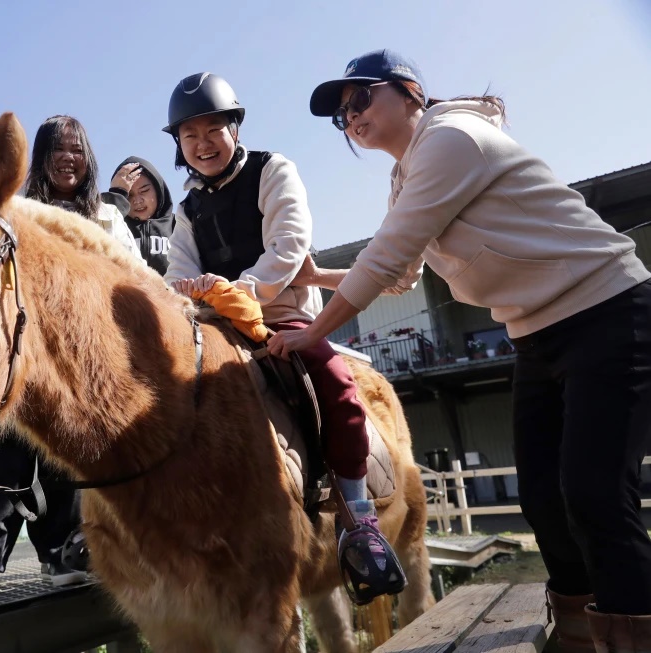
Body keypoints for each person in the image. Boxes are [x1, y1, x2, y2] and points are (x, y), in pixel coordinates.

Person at [270, 49, 651, 650]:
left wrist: (312, 332)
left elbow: (390, 255)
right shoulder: (405, 177)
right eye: (341, 115)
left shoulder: (451, 137)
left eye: (361, 98)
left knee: (596, 493)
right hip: (534, 335)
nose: (351, 117)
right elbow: (400, 275)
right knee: (543, 497)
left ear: (410, 91)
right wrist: (316, 279)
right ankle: (579, 632)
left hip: (605, 310)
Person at [160, 72, 398, 587]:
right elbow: (175, 273)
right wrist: (189, 290)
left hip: (280, 315)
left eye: (213, 130)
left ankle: (359, 518)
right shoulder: (186, 209)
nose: (202, 144)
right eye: (190, 136)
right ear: (179, 144)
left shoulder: (273, 170)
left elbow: (289, 245)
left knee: (334, 384)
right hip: (214, 324)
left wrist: (238, 289)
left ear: (235, 129)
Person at [0, 115, 139, 602]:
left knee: (63, 461)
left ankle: (59, 555)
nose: (68, 158)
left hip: (82, 358)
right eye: (57, 149)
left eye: (76, 149)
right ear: (41, 159)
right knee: (0, 453)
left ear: (88, 158)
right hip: (23, 347)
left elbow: (133, 274)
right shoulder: (18, 209)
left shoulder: (108, 217)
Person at [109, 156, 175, 274]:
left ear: (158, 190)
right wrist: (116, 195)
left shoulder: (180, 224)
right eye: (129, 195)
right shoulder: (114, 228)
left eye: (144, 191)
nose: (137, 201)